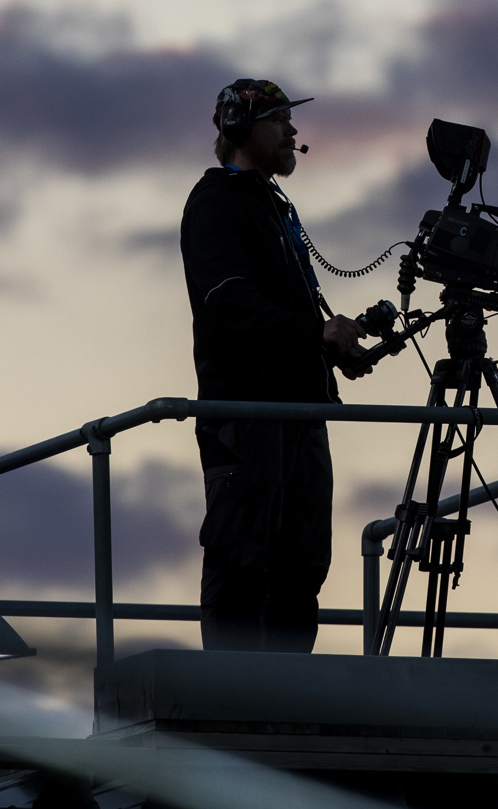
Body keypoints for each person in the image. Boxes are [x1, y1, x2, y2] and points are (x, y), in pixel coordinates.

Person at [180, 78, 368, 652]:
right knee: (244, 560)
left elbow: (277, 315)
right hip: (246, 417)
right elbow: (228, 300)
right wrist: (315, 332)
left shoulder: (268, 204)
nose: (292, 131)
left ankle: (286, 704)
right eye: (279, 119)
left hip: (297, 416)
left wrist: (332, 345)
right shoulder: (215, 202)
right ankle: (232, 709)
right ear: (240, 129)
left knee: (300, 566)